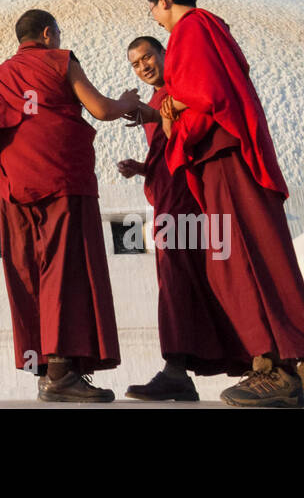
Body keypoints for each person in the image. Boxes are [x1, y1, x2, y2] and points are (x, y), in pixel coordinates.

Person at [147, 0, 304, 407]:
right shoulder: (212, 28)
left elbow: (206, 94)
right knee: (252, 254)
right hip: (228, 159)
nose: (155, 19)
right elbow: (209, 89)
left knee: (243, 259)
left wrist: (173, 114)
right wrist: (175, 107)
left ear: (164, 1)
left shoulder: (191, 29)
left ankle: (280, 367)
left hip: (223, 157)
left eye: (153, 9)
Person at [0, 9, 140, 402]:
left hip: (15, 188)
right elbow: (102, 110)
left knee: (32, 271)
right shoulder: (59, 60)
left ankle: (51, 371)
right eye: (57, 33)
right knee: (65, 270)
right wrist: (125, 101)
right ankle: (60, 371)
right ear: (47, 33)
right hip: (60, 181)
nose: (59, 38)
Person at [116, 36, 247, 401]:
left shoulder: (181, 87)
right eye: (136, 64)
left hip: (189, 196)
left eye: (147, 57)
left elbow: (195, 132)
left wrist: (148, 112)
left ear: (163, 54)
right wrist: (142, 168)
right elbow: (168, 149)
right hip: (167, 195)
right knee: (180, 276)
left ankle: (182, 368)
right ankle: (184, 369)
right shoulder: (156, 102)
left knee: (187, 275)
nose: (143, 67)